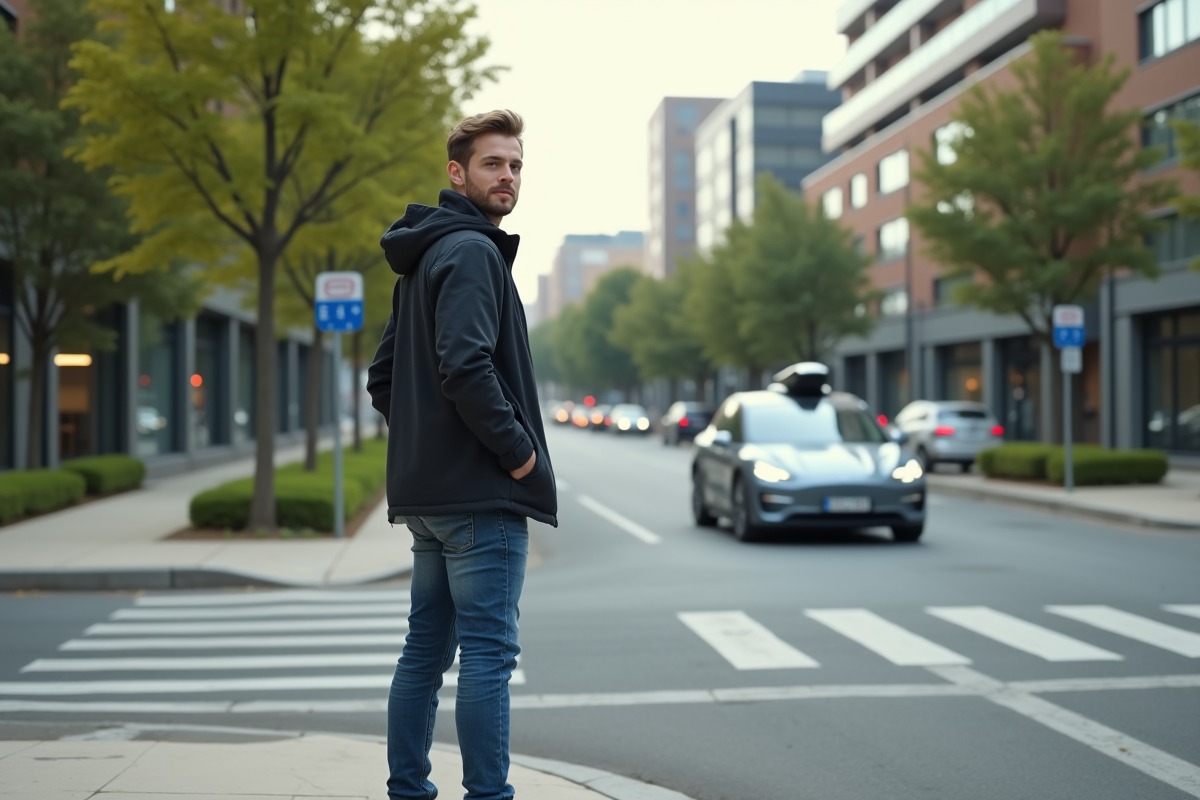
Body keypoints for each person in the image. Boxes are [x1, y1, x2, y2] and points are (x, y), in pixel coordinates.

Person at [367, 109, 557, 800]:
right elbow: (468, 367)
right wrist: (520, 456)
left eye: (515, 166)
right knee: (486, 655)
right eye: (492, 164)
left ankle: (408, 791)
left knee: (424, 652)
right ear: (457, 172)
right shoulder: (472, 251)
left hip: (432, 500)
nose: (507, 176)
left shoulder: (424, 257)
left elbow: (383, 379)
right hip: (481, 497)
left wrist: (429, 440)